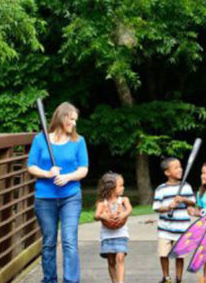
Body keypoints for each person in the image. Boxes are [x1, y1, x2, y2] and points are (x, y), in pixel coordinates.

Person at [27, 102, 89, 283]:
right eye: (71, 119)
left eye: (75, 120)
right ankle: (49, 279)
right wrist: (47, 173)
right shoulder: (41, 140)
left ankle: (71, 280)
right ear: (62, 117)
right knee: (49, 242)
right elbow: (31, 166)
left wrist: (68, 177)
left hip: (70, 196)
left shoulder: (79, 141)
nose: (74, 124)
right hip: (45, 198)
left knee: (69, 241)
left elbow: (83, 169)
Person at [152, 157, 196, 283]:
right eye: (176, 167)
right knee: (163, 253)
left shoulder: (186, 186)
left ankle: (178, 278)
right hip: (165, 228)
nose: (180, 169)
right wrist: (168, 207)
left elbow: (193, 202)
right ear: (167, 172)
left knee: (180, 255)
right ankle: (166, 277)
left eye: (180, 166)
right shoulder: (161, 189)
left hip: (182, 228)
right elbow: (156, 207)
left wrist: (183, 199)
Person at [95, 172, 132, 283]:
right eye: (120, 185)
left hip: (121, 234)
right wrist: (103, 216)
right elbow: (96, 216)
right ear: (111, 188)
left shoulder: (124, 200)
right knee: (111, 261)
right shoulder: (102, 203)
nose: (123, 188)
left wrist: (123, 214)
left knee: (120, 257)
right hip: (107, 235)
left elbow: (129, 210)